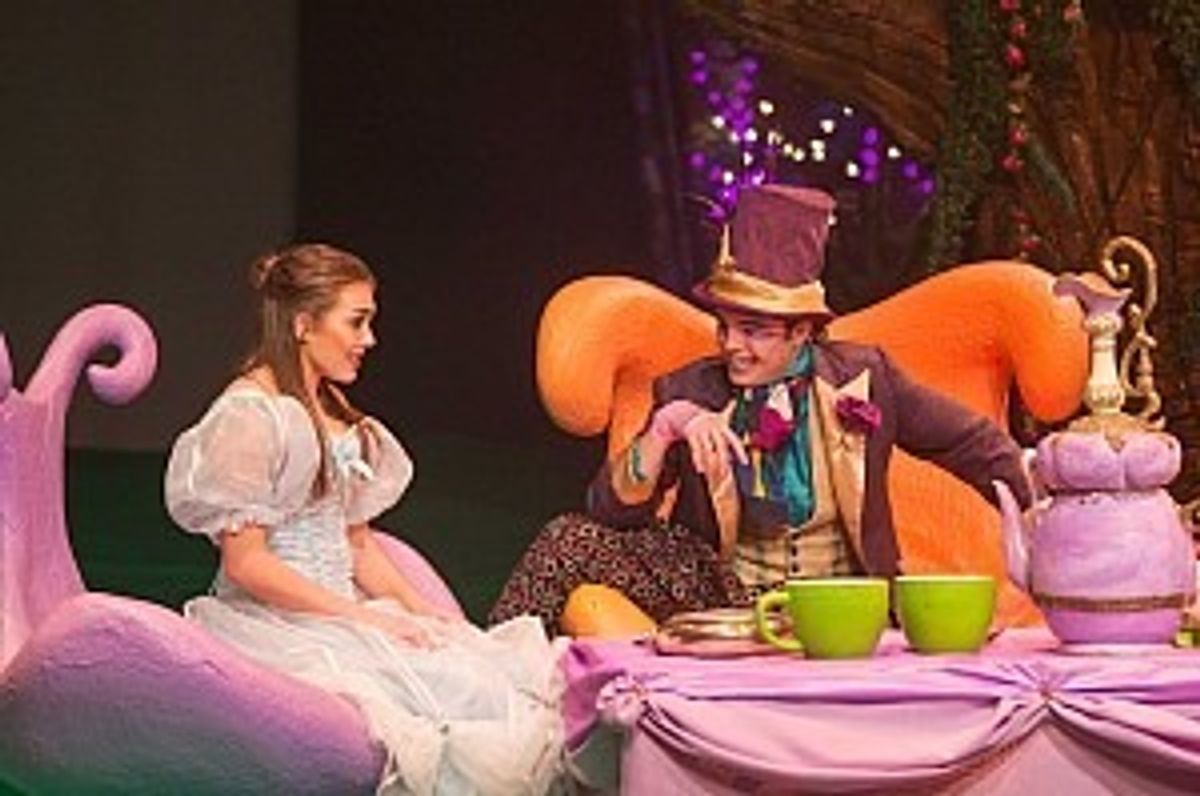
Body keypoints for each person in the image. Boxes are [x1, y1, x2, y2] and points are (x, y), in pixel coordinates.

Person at [489, 185, 1033, 633]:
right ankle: (494, 673)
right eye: (725, 327)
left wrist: (1038, 513)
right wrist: (663, 430)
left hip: (842, 605)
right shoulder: (691, 389)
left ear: (802, 331)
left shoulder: (867, 378)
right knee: (567, 537)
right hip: (726, 597)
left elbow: (974, 445)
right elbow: (613, 515)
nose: (732, 346)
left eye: (754, 331)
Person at [165, 243, 564, 796]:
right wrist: (361, 619)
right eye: (356, 322)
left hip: (339, 613)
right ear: (303, 324)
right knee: (438, 710)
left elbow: (356, 545)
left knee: (489, 678)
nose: (369, 340)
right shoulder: (251, 414)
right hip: (281, 625)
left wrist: (419, 610)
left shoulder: (333, 410)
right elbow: (247, 563)